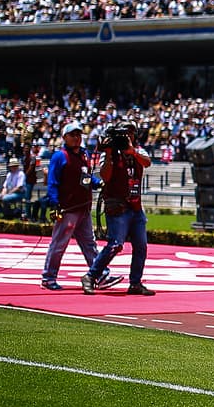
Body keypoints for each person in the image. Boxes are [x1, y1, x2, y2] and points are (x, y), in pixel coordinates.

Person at [41, 122, 117, 292]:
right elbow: (53, 182)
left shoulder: (84, 154)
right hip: (68, 208)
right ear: (65, 137)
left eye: (78, 134)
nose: (76, 138)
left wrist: (98, 183)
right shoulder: (59, 157)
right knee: (59, 244)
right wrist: (54, 204)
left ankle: (100, 274)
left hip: (83, 207)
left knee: (89, 243)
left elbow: (86, 178)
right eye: (72, 135)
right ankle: (48, 277)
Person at [82, 122, 155, 296]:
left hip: (135, 205)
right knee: (115, 245)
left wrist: (132, 152)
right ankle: (90, 276)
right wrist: (108, 155)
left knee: (141, 246)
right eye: (124, 133)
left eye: (130, 132)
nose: (127, 136)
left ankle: (135, 283)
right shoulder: (110, 151)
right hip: (117, 205)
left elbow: (147, 162)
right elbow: (105, 176)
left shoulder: (138, 150)